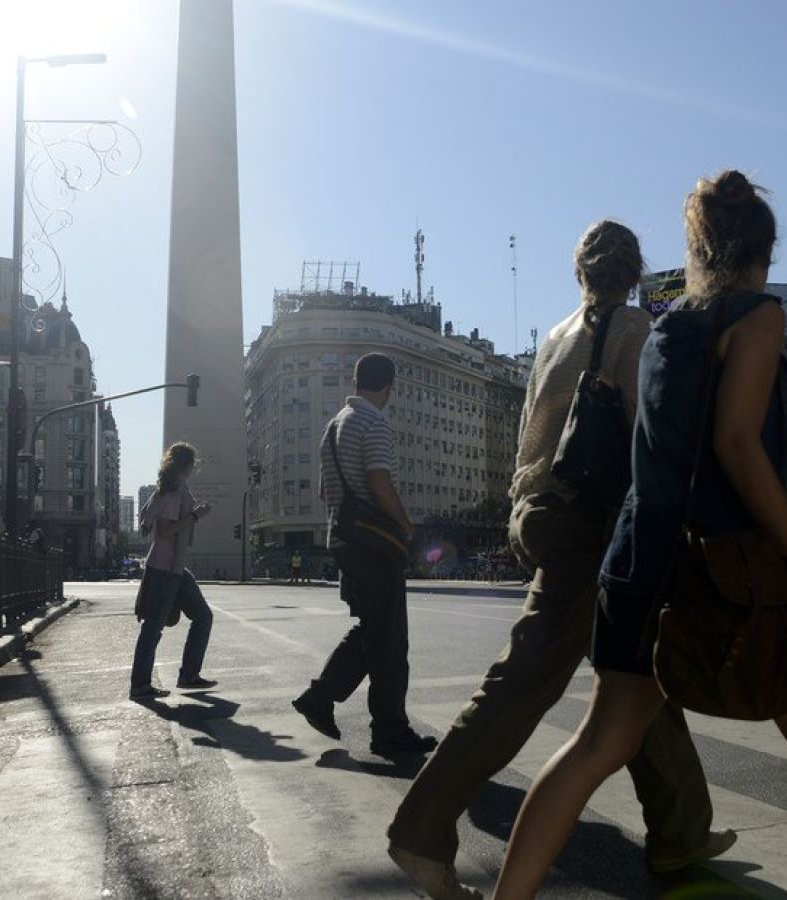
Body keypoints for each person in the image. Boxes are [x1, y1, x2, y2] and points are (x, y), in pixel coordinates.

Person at [388, 221, 732, 899]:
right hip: (592, 520)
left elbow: (532, 437)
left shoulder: (556, 335)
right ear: (633, 271)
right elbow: (646, 434)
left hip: (539, 510)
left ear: (580, 272)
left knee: (637, 670)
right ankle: (421, 832)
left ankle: (682, 833)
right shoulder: (633, 328)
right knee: (526, 681)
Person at [492, 172, 787, 898]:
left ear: (696, 249)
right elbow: (738, 444)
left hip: (639, 564)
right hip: (728, 570)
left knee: (597, 744)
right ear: (763, 252)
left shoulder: (663, 331)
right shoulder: (758, 320)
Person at [292, 352, 438, 757]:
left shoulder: (333, 425)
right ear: (388, 386)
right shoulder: (374, 421)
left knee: (373, 631)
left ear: (357, 381)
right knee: (390, 640)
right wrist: (406, 526)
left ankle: (321, 698)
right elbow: (379, 481)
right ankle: (389, 732)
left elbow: (325, 493)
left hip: (343, 539)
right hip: (373, 545)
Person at [130, 442, 217, 700]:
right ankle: (140, 685)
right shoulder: (172, 493)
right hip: (163, 568)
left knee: (203, 616)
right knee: (153, 628)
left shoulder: (173, 488)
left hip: (175, 568)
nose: (193, 469)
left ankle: (189, 675)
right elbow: (167, 531)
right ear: (186, 465)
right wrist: (197, 515)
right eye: (192, 465)